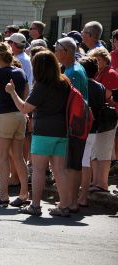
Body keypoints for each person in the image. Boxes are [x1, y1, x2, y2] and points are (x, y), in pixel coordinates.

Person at [6, 50, 72, 216]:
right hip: (62, 130)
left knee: (38, 170)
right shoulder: (64, 82)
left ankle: (35, 206)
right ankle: (64, 206)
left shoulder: (42, 85)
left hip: (43, 131)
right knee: (59, 170)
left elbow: (24, 108)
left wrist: (12, 91)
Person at [0, 42, 29, 207]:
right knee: (18, 157)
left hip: (4, 115)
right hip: (20, 115)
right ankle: (24, 193)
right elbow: (26, 94)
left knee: (3, 157)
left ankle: (3, 194)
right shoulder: (20, 72)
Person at [54, 37, 88, 212]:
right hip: (78, 122)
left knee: (71, 165)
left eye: (57, 49)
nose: (55, 52)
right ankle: (71, 200)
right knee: (74, 164)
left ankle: (71, 202)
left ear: (65, 51)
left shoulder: (72, 72)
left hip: (74, 123)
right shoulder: (73, 68)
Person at [88, 47, 118, 193]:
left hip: (108, 117)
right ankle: (95, 181)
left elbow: (108, 96)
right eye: (95, 60)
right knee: (96, 150)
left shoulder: (110, 73)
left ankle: (102, 183)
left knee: (104, 151)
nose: (97, 62)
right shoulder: (98, 73)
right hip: (99, 116)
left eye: (98, 59)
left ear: (106, 59)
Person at [78, 56, 107, 206]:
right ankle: (82, 196)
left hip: (80, 127)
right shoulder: (100, 86)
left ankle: (80, 197)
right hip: (94, 129)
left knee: (80, 163)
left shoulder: (80, 85)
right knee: (85, 162)